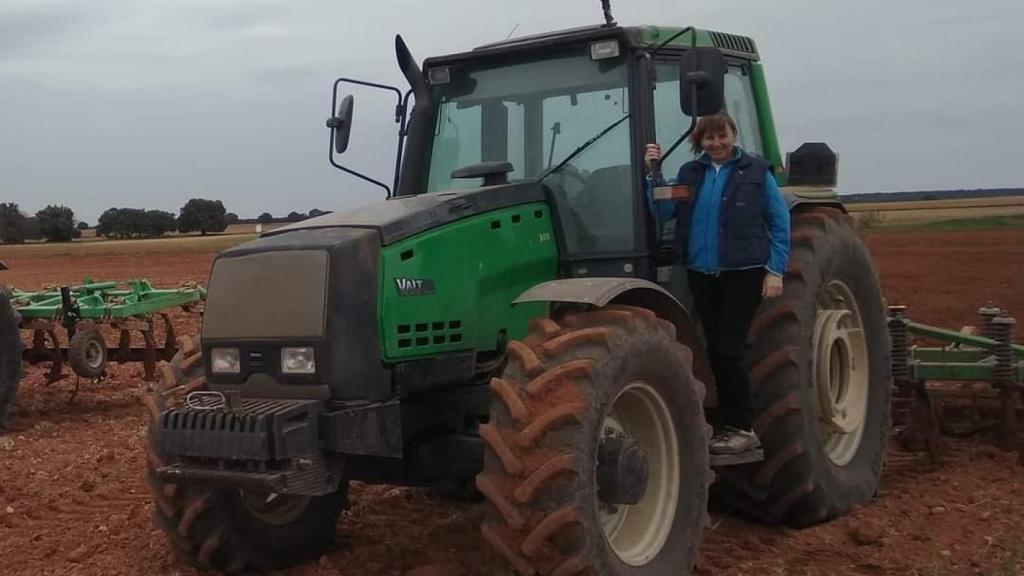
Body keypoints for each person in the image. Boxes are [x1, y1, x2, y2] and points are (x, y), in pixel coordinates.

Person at [644, 111, 790, 455]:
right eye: (709, 138)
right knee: (713, 349)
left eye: (722, 136)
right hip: (702, 272)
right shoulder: (690, 173)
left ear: (733, 135)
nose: (717, 143)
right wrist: (653, 173)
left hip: (745, 271)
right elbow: (664, 213)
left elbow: (778, 221)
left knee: (728, 348)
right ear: (700, 142)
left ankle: (742, 427)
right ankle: (724, 423)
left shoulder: (755, 172)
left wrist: (776, 270)